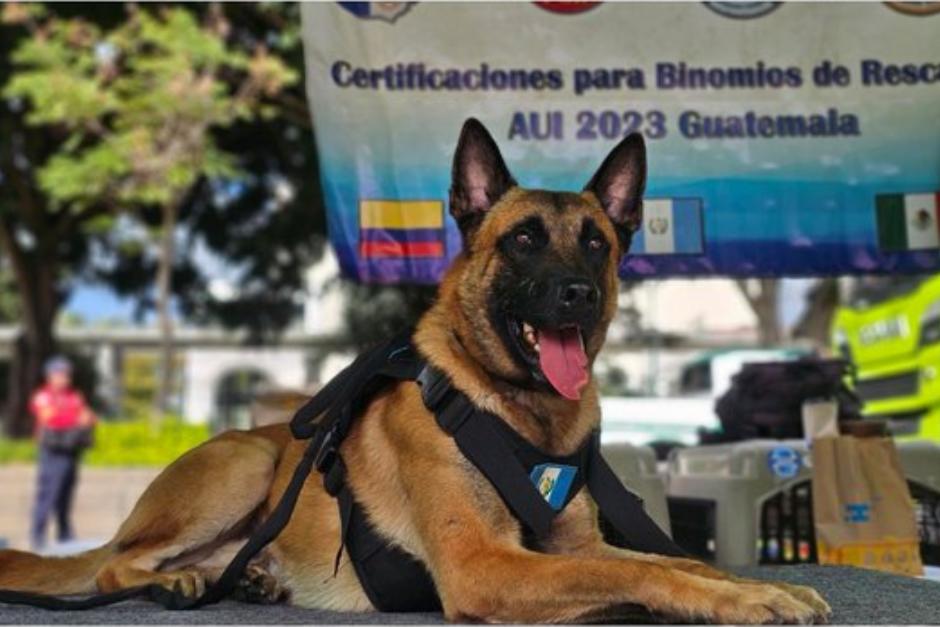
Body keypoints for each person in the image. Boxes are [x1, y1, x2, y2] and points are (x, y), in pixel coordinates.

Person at [28, 355, 95, 551]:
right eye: (59, 374)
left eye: (67, 374)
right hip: (52, 452)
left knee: (66, 494)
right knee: (48, 494)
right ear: (49, 376)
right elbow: (48, 418)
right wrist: (75, 418)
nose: (65, 378)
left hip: (71, 449)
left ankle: (65, 533)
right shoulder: (43, 396)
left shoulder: (73, 396)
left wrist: (72, 417)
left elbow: (89, 417)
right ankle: (38, 534)